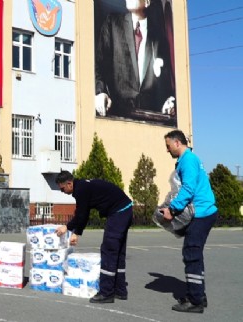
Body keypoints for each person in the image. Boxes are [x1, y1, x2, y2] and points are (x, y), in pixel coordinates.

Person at [160, 130, 218, 313]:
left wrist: (172, 209)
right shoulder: (189, 159)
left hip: (201, 213)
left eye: (168, 146)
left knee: (191, 254)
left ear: (177, 143)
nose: (167, 150)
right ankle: (198, 294)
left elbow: (188, 189)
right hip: (202, 212)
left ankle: (195, 301)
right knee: (194, 254)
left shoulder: (188, 160)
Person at [54, 170, 133, 304]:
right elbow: (80, 213)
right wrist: (68, 227)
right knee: (118, 251)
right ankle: (120, 290)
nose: (62, 192)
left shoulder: (81, 190)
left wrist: (76, 233)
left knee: (109, 250)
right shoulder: (82, 186)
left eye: (62, 189)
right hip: (125, 210)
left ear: (69, 183)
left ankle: (106, 293)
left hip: (118, 213)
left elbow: (83, 215)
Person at [95, 0, 175, 123]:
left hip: (150, 117)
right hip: (116, 113)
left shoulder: (159, 36)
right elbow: (99, 63)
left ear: (147, 2)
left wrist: (168, 101)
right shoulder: (112, 23)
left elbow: (163, 80)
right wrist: (100, 92)